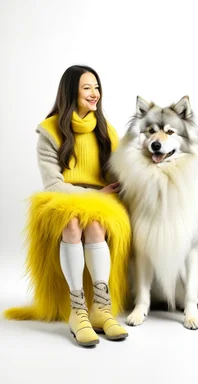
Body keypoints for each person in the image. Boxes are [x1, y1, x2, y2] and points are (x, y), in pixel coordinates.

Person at [4, 65, 131, 348]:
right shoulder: (49, 131)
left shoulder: (106, 131)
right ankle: (78, 312)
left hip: (101, 200)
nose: (94, 93)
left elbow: (116, 176)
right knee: (72, 222)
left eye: (97, 87)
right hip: (62, 197)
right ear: (71, 90)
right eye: (87, 87)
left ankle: (101, 307)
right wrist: (95, 197)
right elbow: (53, 184)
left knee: (96, 224)